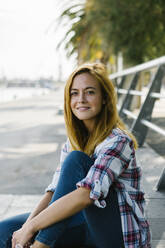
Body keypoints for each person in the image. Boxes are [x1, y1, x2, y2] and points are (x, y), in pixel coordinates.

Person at [0, 63, 151, 248]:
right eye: (74, 93)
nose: (81, 99)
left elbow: (87, 194)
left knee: (76, 160)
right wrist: (25, 228)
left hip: (117, 235)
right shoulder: (73, 141)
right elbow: (54, 190)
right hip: (84, 224)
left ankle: (41, 246)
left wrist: (35, 231)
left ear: (104, 98)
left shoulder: (118, 141)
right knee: (5, 232)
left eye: (90, 92)